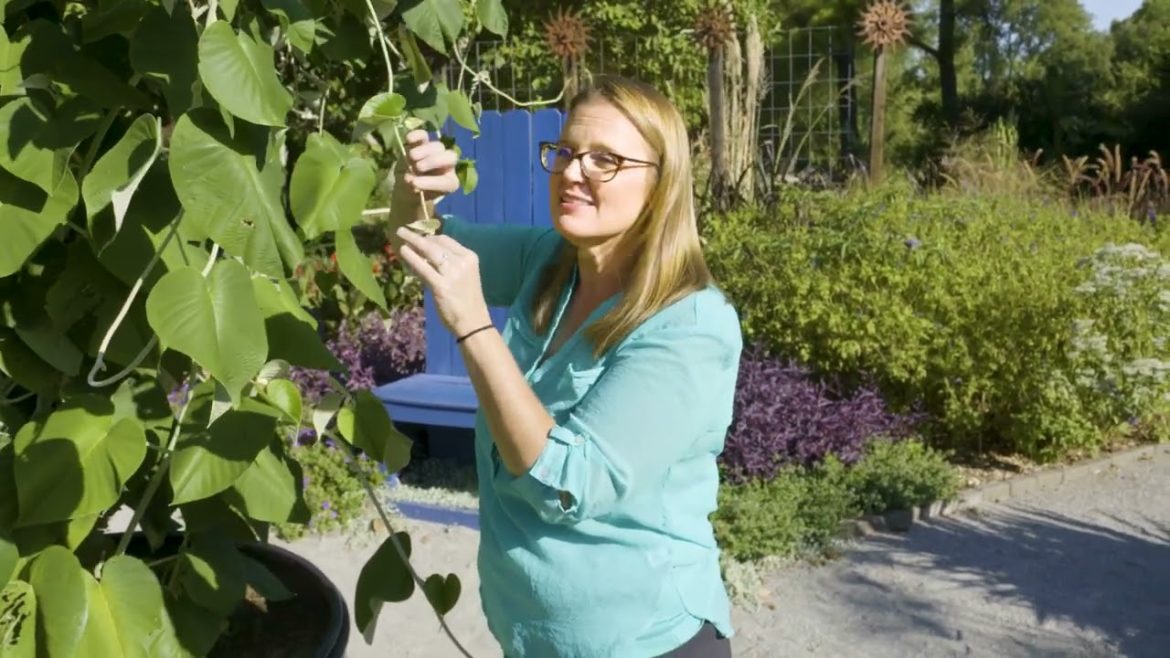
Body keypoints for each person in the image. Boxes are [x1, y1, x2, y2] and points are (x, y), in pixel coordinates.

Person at [387, 75, 742, 658]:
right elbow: (418, 244)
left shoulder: (689, 328)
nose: (573, 171)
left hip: (641, 642)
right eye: (567, 152)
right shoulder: (549, 261)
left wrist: (475, 328)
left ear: (660, 185)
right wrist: (414, 187)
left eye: (605, 159)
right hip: (534, 639)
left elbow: (568, 486)